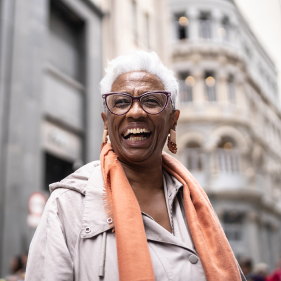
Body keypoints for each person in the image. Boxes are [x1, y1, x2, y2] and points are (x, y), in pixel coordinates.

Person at [25, 51, 246, 281]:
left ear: (173, 120)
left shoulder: (194, 202)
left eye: (151, 101)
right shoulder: (67, 206)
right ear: (106, 122)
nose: (136, 112)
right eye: (121, 102)